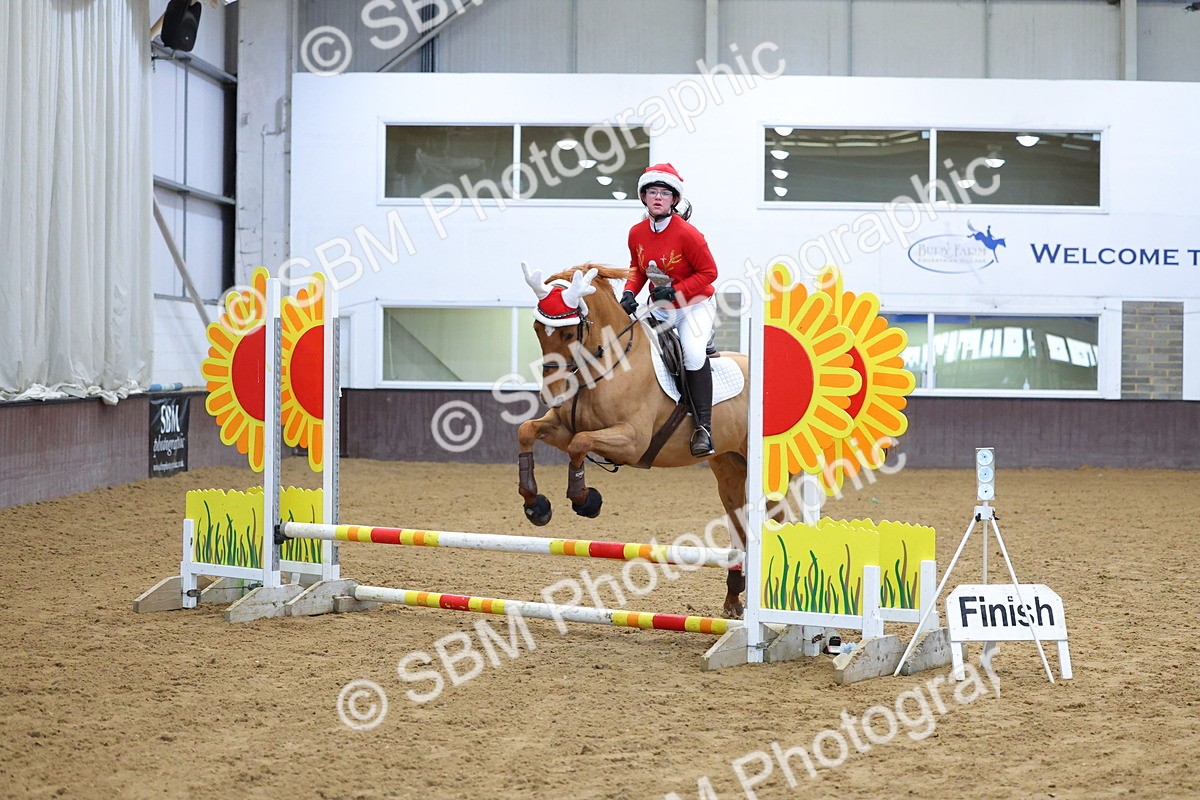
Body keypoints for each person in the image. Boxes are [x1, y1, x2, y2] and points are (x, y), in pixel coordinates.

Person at [619, 163, 718, 458]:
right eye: (652, 192)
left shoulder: (689, 234)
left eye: (664, 193)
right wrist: (628, 292)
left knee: (693, 353)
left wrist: (677, 291)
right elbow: (637, 268)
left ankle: (703, 429)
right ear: (644, 197)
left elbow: (709, 273)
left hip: (694, 305)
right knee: (628, 339)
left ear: (674, 199)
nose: (658, 197)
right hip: (661, 308)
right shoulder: (636, 232)